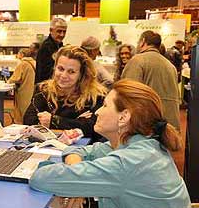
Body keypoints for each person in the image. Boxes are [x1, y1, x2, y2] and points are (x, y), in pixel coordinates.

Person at [29, 79, 191, 208]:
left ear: (123, 117)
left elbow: (40, 178)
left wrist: (76, 182)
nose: (98, 111)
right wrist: (77, 182)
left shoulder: (127, 162)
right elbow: (80, 151)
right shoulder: (140, 143)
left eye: (105, 105)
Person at [24, 46, 107, 143]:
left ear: (81, 74)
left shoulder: (95, 96)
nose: (63, 75)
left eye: (71, 72)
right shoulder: (43, 90)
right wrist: (76, 123)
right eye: (60, 69)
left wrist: (53, 120)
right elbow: (29, 120)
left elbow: (92, 128)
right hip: (45, 147)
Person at [121, 30, 180, 131]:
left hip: (148, 126)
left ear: (143, 41)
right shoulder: (170, 66)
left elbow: (127, 93)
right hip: (170, 126)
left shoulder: (137, 60)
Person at [35, 18, 67, 84]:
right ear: (51, 30)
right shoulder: (46, 47)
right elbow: (45, 73)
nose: (62, 35)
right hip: (46, 87)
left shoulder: (60, 46)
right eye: (59, 31)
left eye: (64, 32)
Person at [8, 48, 36, 123]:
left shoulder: (23, 64)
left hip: (24, 91)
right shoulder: (34, 62)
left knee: (23, 110)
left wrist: (8, 82)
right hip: (33, 90)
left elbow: (15, 78)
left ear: (22, 54)